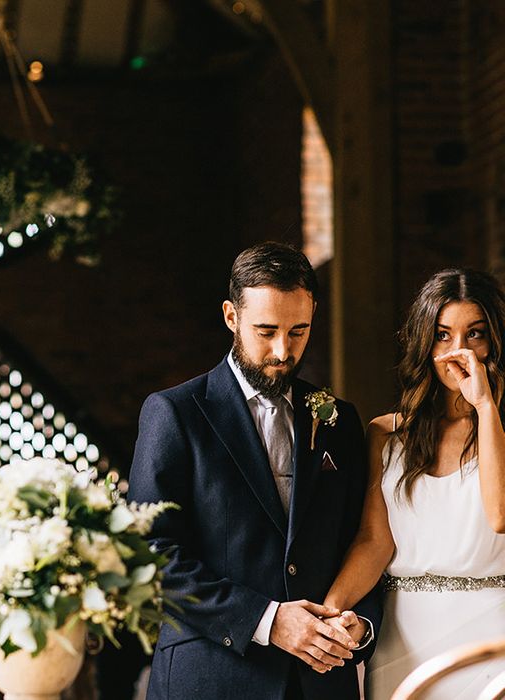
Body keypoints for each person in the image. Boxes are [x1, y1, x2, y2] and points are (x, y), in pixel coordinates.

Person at [128, 242, 382, 700]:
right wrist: (267, 620)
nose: (283, 351)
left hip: (321, 684)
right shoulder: (175, 413)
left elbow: (362, 541)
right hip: (212, 678)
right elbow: (151, 552)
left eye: (298, 331)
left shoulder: (339, 421)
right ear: (231, 316)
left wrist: (360, 624)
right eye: (266, 331)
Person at [323, 268, 505, 699]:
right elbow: (374, 541)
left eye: (474, 334)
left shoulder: (500, 429)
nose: (458, 350)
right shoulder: (385, 434)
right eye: (443, 335)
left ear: (494, 341)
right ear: (425, 343)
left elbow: (499, 516)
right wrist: (330, 611)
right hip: (404, 639)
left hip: (490, 638)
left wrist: (484, 406)